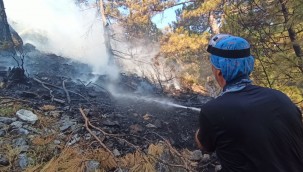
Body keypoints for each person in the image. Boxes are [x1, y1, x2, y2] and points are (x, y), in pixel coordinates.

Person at [195, 34, 303, 172]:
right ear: (248, 65)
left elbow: (204, 146)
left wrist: (201, 131)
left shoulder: (213, 111)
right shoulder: (281, 98)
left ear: (219, 72)